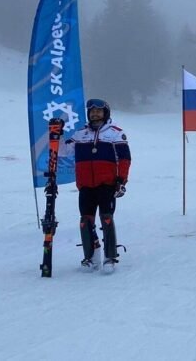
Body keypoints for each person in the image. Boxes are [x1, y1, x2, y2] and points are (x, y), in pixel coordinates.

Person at [65, 99, 131, 270]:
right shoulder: (80, 134)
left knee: (106, 218)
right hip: (86, 185)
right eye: (92, 111)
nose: (95, 114)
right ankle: (91, 257)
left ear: (106, 113)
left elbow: (124, 159)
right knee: (85, 221)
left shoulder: (115, 133)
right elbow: (65, 151)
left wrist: (121, 180)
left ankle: (110, 257)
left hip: (107, 184)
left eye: (99, 111)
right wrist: (55, 133)